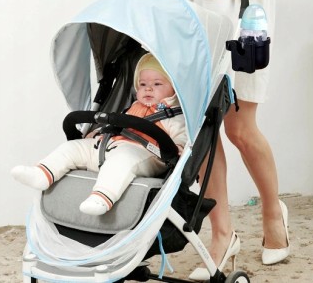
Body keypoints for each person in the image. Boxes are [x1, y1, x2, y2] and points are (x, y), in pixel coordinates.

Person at [158, 0, 307, 278]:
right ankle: (222, 235)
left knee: (239, 126)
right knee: (200, 123)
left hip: (244, 6)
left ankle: (272, 212)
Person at [11, 53, 186, 215]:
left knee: (122, 161)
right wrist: (97, 133)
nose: (148, 89)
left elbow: (182, 137)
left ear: (174, 88)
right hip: (108, 145)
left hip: (145, 153)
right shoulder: (133, 106)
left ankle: (102, 197)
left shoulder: (174, 115)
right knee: (73, 147)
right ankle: (42, 173)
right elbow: (117, 125)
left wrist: (179, 148)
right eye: (143, 84)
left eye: (157, 84)